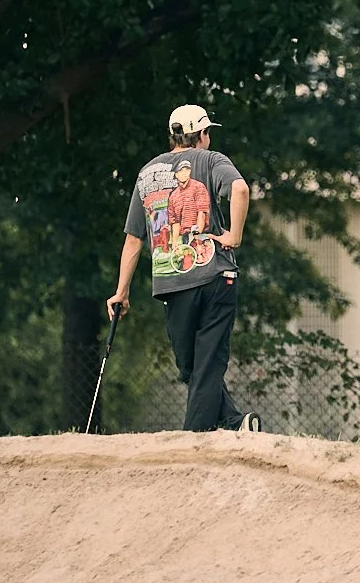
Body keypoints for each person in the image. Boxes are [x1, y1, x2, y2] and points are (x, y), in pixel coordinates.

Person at [107, 104, 258, 432]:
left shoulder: (147, 173)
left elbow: (133, 239)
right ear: (202, 134)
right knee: (196, 367)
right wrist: (234, 235)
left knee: (196, 365)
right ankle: (235, 424)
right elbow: (240, 188)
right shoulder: (212, 160)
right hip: (215, 274)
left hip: (173, 282)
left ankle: (196, 437)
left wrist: (121, 291)